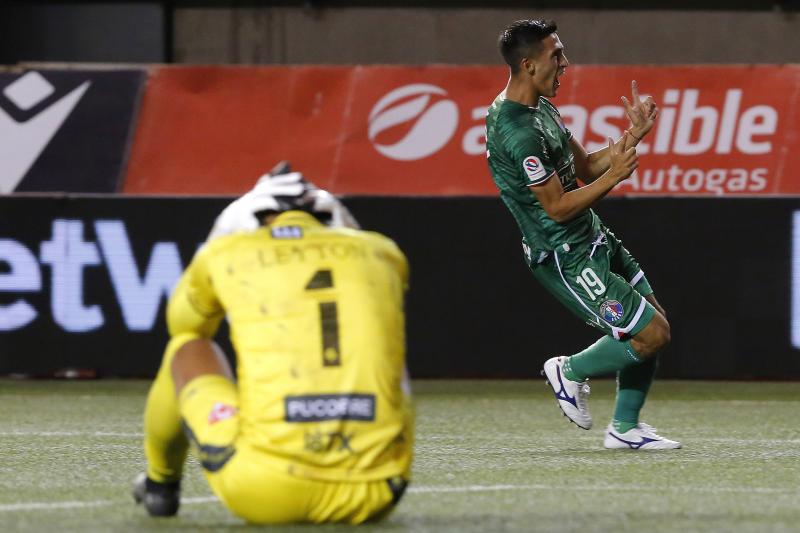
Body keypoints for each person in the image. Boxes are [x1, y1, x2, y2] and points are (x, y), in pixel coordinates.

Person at [133, 168, 414, 523]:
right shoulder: (384, 252)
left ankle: (161, 484)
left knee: (186, 348)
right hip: (378, 492)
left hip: (264, 490)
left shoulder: (226, 253)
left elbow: (183, 325)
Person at [485, 19, 680, 450]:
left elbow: (585, 168)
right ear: (528, 64)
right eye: (556, 55)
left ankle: (624, 429)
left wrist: (632, 136)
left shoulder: (541, 110)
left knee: (652, 319)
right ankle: (569, 370)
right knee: (652, 334)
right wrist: (617, 178)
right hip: (564, 254)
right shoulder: (516, 131)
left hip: (591, 236)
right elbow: (555, 208)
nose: (565, 62)